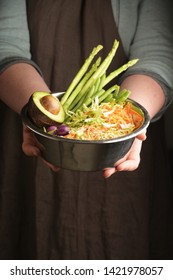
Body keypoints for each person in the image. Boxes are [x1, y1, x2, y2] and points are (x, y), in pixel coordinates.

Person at [0, 0, 173, 260]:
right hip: (34, 130)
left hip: (127, 150)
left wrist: (130, 122)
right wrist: (40, 117)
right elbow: (5, 45)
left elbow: (159, 51)